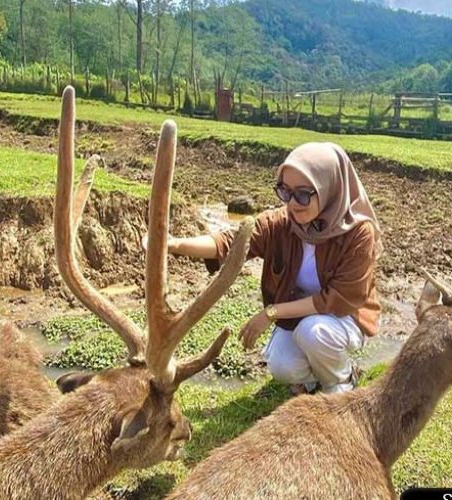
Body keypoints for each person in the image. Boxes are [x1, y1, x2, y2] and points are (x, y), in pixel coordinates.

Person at [162, 142, 382, 394]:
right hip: (299, 316)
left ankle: (340, 382)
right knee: (281, 366)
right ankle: (315, 379)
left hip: (342, 317)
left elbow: (338, 300)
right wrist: (174, 244)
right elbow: (232, 241)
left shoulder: (358, 233)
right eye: (285, 191)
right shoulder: (282, 223)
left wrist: (271, 313)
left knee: (314, 334)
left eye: (302, 194)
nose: (292, 203)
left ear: (329, 188)